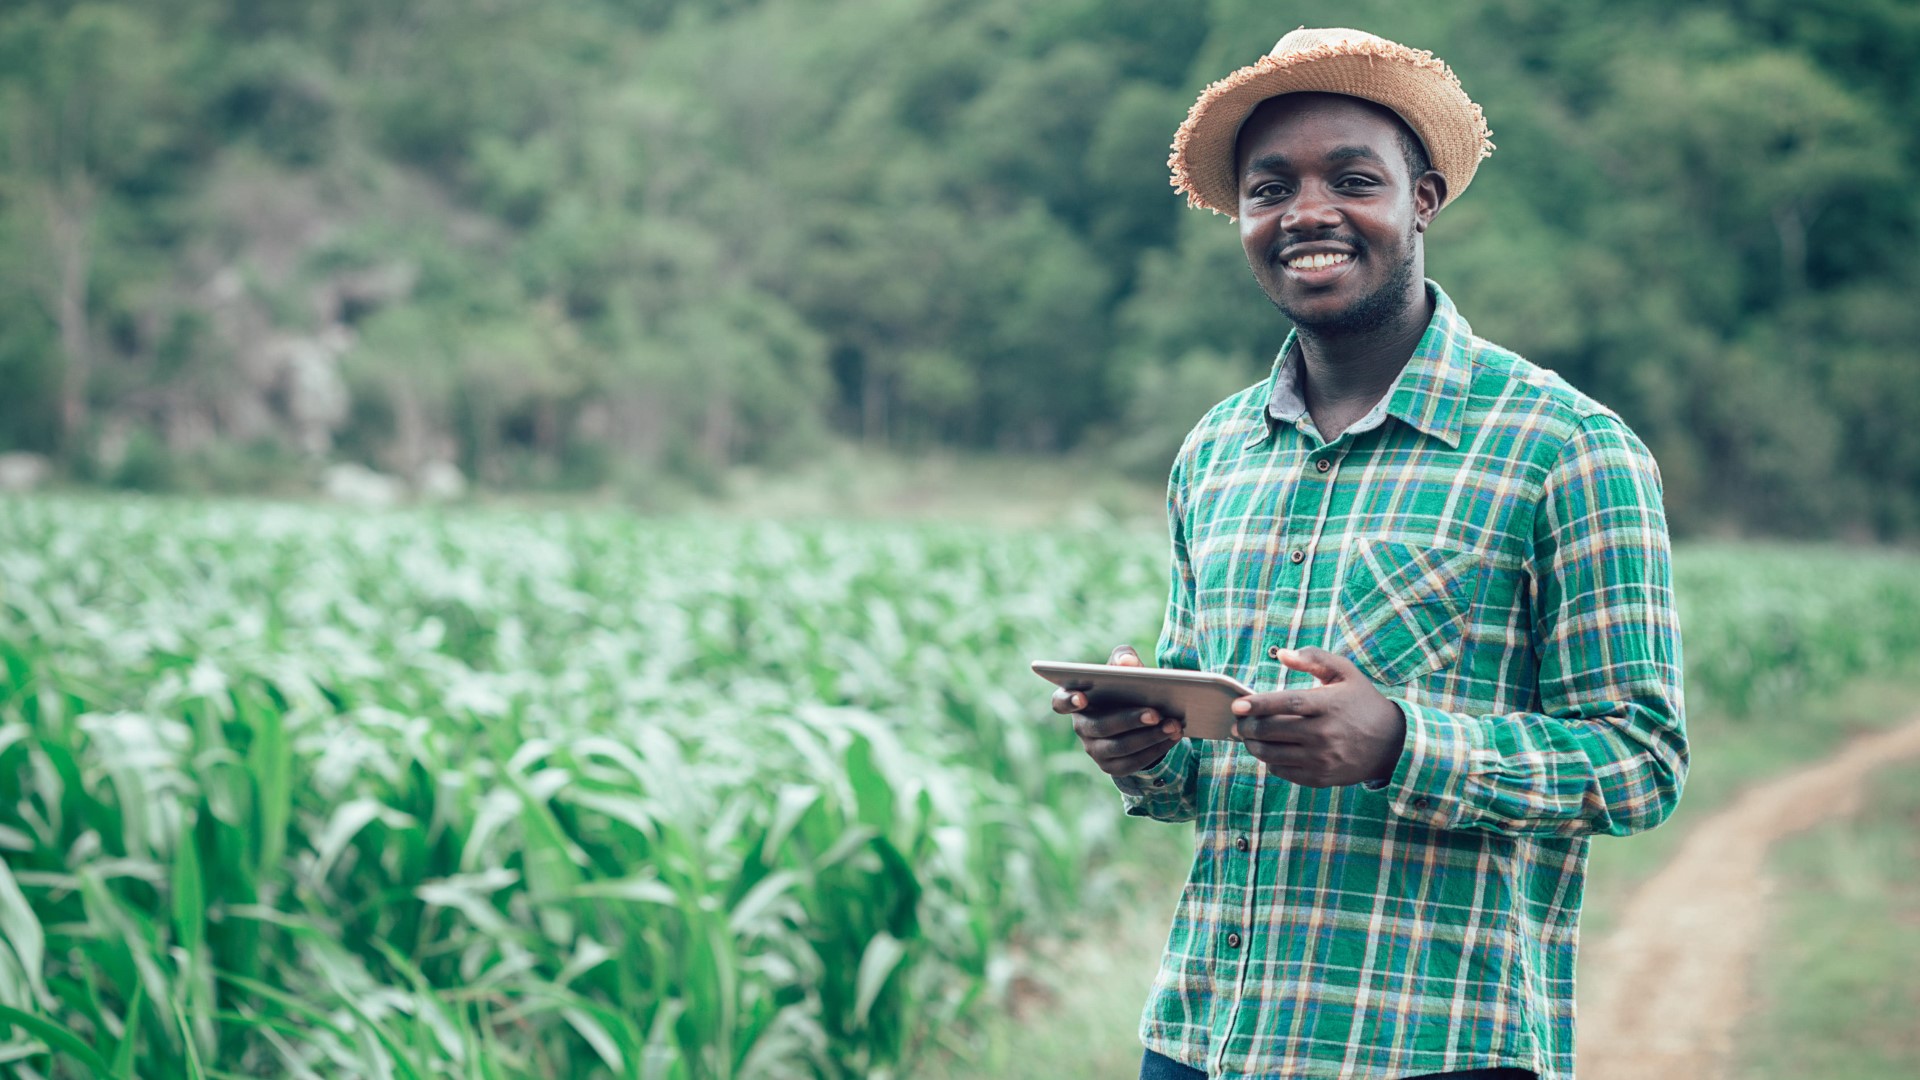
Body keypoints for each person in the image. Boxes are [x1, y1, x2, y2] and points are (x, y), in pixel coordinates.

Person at [1050, 27, 1687, 1080]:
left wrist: (1402, 742)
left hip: (1435, 1046)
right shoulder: (1215, 452)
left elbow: (1639, 763)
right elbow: (1203, 780)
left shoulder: (1566, 447)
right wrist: (1147, 752)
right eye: (1269, 189)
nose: (1306, 213)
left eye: (1352, 179)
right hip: (1202, 1036)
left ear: (1423, 199)